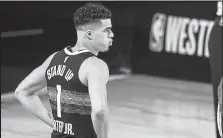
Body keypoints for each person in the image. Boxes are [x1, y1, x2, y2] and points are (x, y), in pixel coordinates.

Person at [14, 3, 114, 138]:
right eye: (106, 30)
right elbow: (99, 111)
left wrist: (56, 124)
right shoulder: (95, 65)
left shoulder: (54, 58)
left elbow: (22, 91)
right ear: (89, 34)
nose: (111, 34)